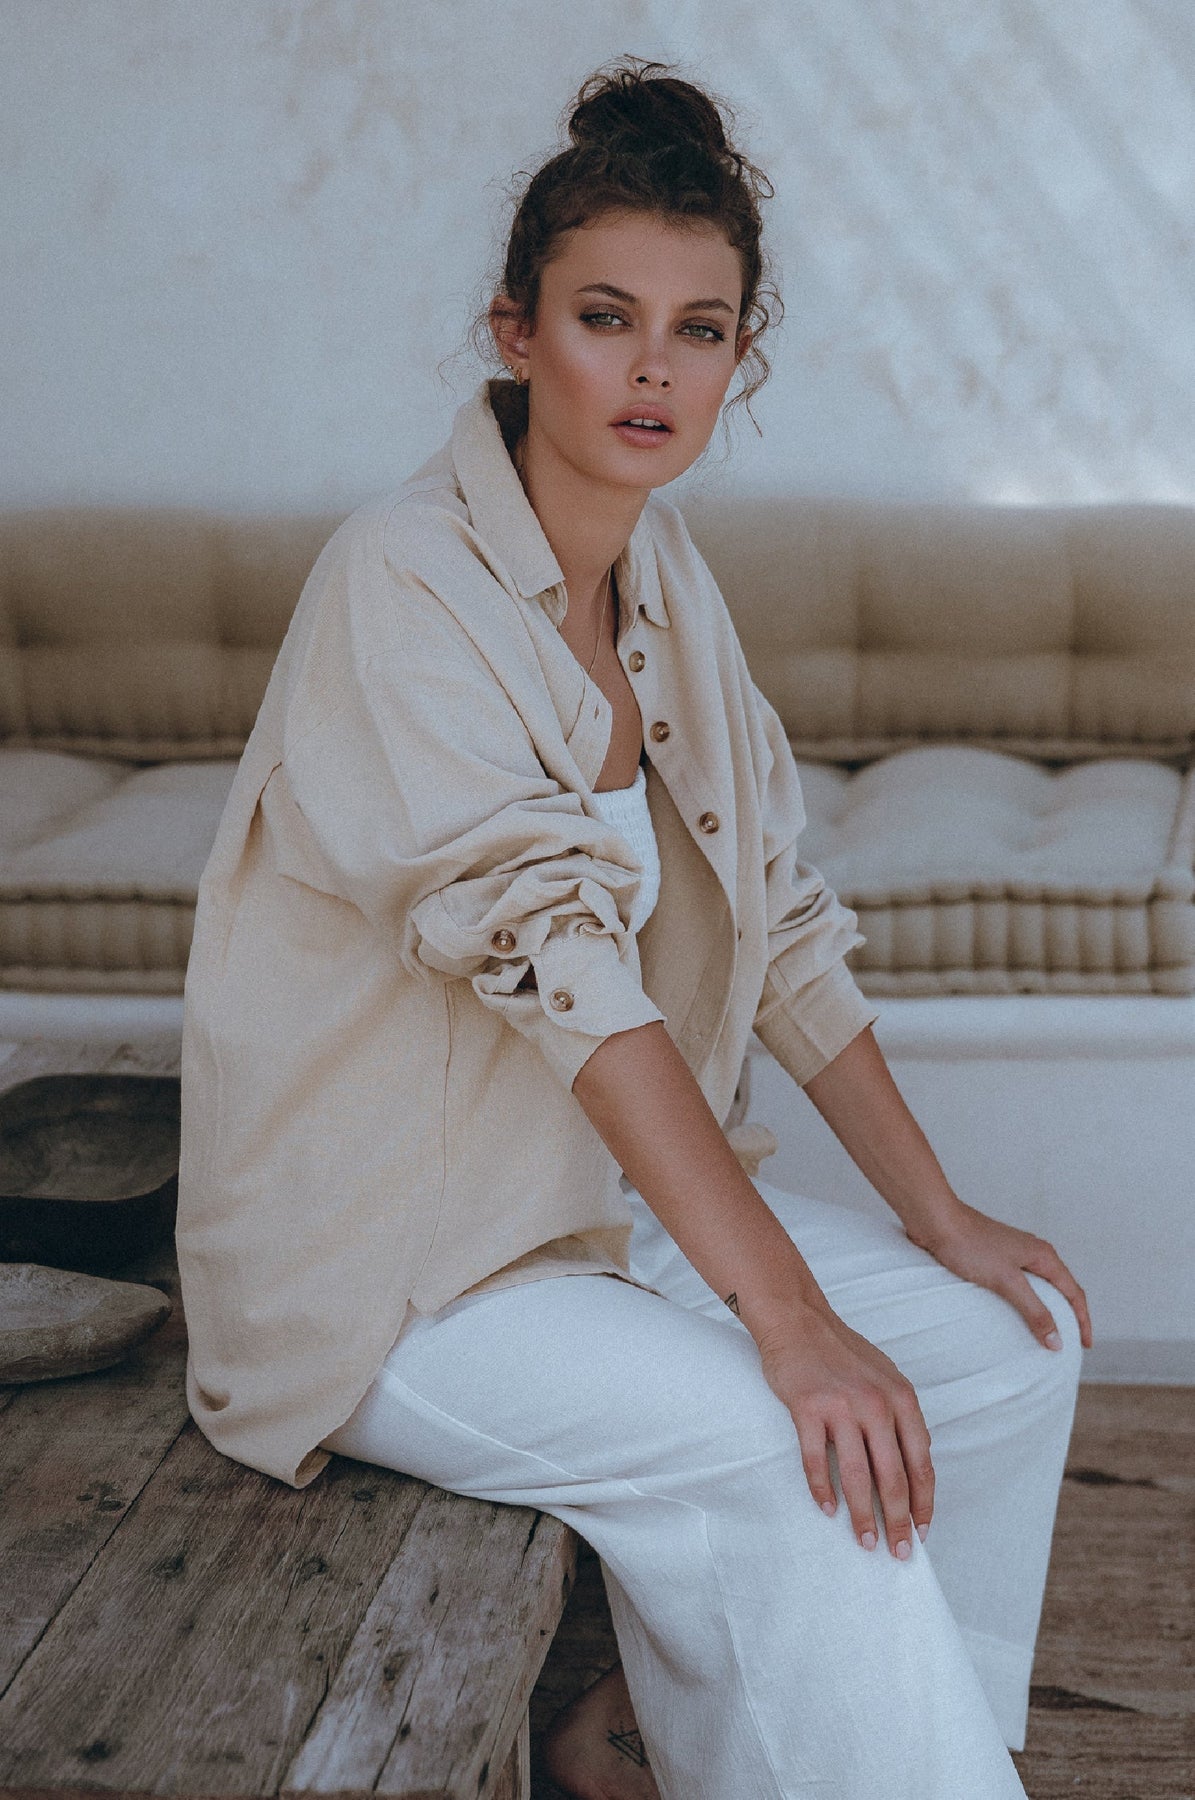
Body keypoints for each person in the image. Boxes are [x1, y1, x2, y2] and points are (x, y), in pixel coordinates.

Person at [176, 57, 1092, 1800]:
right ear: (515, 335)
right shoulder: (401, 581)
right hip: (406, 1269)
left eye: (699, 329)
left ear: (741, 360)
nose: (654, 369)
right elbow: (565, 972)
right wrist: (788, 1319)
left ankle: (748, 1745)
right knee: (790, 1430)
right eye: (607, 319)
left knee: (1004, 1346)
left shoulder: (668, 585)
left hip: (597, 1210)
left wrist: (940, 1217)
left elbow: (784, 926)